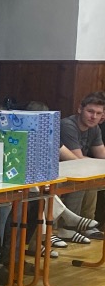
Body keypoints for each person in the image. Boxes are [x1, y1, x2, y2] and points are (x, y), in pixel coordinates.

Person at [59, 93, 105, 235]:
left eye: (98, 113)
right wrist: (93, 162)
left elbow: (102, 155)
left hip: (75, 169)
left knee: (94, 180)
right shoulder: (68, 125)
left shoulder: (94, 129)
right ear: (80, 109)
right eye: (90, 111)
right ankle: (69, 227)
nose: (94, 117)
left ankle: (86, 224)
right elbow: (76, 160)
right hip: (60, 173)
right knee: (83, 180)